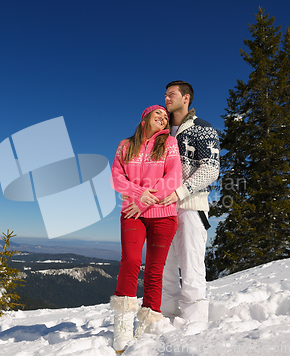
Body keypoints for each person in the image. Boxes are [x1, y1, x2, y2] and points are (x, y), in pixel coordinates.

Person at [110, 105, 182, 353]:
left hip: (163, 215)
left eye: (165, 116)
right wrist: (140, 196)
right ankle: (121, 326)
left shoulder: (169, 143)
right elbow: (117, 178)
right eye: (157, 115)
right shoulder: (125, 146)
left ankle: (147, 323)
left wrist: (144, 201)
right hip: (132, 213)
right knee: (130, 260)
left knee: (154, 269)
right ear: (144, 120)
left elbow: (173, 178)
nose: (163, 118)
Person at [159, 80, 220, 323]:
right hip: (161, 210)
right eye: (164, 95)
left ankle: (195, 324)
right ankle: (166, 317)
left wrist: (179, 193)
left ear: (186, 98)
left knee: (191, 266)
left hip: (191, 207)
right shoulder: (161, 133)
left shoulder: (202, 128)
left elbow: (211, 169)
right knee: (164, 267)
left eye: (171, 94)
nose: (166, 99)